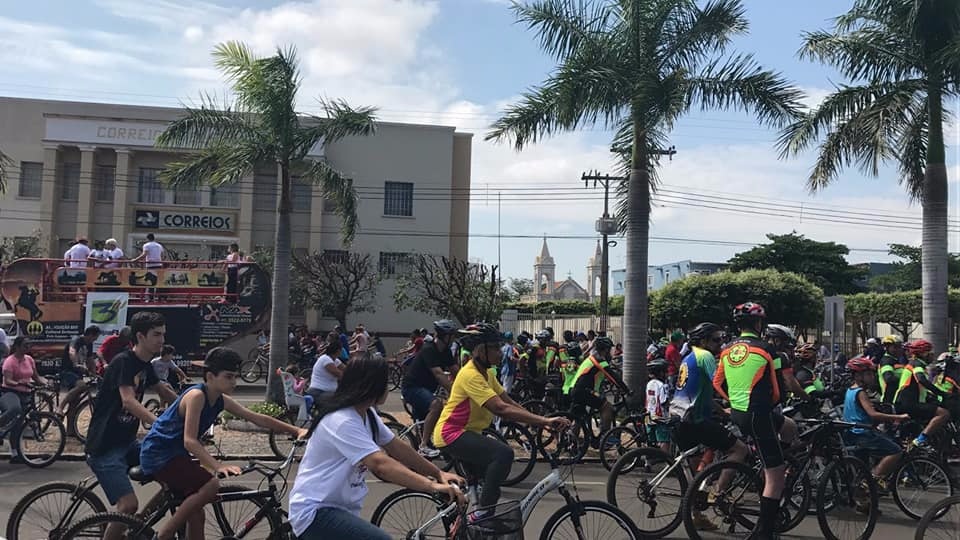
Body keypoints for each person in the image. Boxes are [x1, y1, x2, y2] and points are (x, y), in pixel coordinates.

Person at [289, 355, 466, 540]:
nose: (388, 388)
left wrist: (438, 473)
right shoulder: (342, 420)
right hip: (316, 512)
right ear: (372, 385)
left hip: (340, 509)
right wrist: (432, 486)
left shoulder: (367, 414)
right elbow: (380, 464)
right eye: (385, 381)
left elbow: (397, 448)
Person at [140, 347, 307, 540]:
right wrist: (217, 465)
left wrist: (295, 430)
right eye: (228, 377)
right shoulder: (197, 396)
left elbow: (256, 418)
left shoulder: (219, 399)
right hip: (160, 454)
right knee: (211, 485)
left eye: (235, 377)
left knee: (196, 513)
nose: (234, 382)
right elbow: (189, 441)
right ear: (210, 376)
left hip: (174, 455)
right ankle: (165, 534)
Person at [435, 323, 570, 521]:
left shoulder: (487, 373)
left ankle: (467, 522)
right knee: (503, 454)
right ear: (481, 350)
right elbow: (500, 408)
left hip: (468, 432)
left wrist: (539, 423)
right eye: (496, 347)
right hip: (451, 433)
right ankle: (481, 515)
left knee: (491, 488)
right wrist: (544, 420)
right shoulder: (470, 374)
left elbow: (509, 402)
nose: (500, 352)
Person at [84, 312, 179, 540]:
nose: (162, 340)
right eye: (156, 335)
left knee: (175, 479)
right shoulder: (124, 362)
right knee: (128, 506)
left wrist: (193, 409)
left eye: (163, 335)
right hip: (105, 446)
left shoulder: (145, 364)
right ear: (140, 336)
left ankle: (136, 529)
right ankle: (126, 526)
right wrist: (159, 423)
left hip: (127, 444)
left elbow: (164, 391)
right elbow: (128, 400)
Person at [713, 302, 783, 540]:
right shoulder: (766, 349)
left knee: (785, 430)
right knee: (776, 473)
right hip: (758, 413)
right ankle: (765, 533)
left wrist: (734, 400)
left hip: (738, 412)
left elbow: (717, 383)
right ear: (758, 323)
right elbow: (777, 392)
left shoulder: (726, 349)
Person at [670, 322, 750, 531]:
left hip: (680, 417)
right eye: (716, 340)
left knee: (698, 476)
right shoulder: (705, 357)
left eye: (721, 339)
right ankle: (718, 492)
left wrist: (721, 409)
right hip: (694, 420)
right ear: (703, 341)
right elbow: (722, 383)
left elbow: (703, 391)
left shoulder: (689, 357)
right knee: (740, 449)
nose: (720, 344)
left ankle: (697, 516)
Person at [843, 357, 909, 494]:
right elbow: (872, 414)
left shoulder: (850, 390)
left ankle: (864, 501)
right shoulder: (861, 393)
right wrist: (898, 417)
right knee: (896, 451)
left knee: (862, 469)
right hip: (863, 434)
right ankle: (871, 481)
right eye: (868, 374)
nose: (872, 377)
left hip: (852, 433)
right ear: (858, 376)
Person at [401, 320, 460, 458]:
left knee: (427, 419)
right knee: (436, 405)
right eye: (452, 335)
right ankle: (424, 445)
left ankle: (421, 451)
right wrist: (455, 392)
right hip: (412, 388)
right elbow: (439, 375)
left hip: (425, 389)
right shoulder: (429, 349)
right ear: (445, 336)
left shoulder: (445, 351)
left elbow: (456, 371)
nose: (454, 338)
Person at [569, 336, 628, 442]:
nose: (610, 351)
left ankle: (571, 443)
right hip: (583, 391)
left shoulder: (592, 357)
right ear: (605, 349)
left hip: (576, 389)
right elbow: (613, 376)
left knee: (578, 418)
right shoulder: (599, 360)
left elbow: (596, 375)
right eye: (609, 349)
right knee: (607, 407)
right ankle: (605, 437)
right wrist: (626, 390)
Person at [893, 339, 951, 448]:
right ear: (923, 353)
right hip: (908, 403)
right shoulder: (917, 364)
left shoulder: (915, 363)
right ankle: (920, 440)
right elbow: (921, 380)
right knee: (943, 414)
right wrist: (941, 393)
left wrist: (933, 396)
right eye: (930, 352)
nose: (933, 355)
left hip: (905, 402)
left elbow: (920, 387)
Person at [1, 337, 47, 462]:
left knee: (18, 424)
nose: (28, 347)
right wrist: (19, 383)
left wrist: (47, 383)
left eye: (29, 345)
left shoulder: (29, 360)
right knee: (15, 409)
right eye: (25, 345)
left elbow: (36, 377)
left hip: (26, 393)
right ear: (17, 347)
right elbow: (7, 380)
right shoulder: (9, 361)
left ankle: (15, 454)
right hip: (10, 392)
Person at [57, 325, 101, 418]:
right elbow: (72, 352)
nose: (94, 341)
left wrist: (94, 373)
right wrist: (76, 364)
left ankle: (70, 431)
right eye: (94, 338)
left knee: (74, 404)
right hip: (67, 371)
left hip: (78, 374)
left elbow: (90, 360)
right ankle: (60, 407)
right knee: (82, 386)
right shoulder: (76, 340)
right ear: (90, 335)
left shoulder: (89, 344)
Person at [645, 358, 671, 452]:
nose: (667, 374)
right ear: (660, 373)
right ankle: (666, 461)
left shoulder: (649, 384)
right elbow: (664, 402)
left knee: (651, 441)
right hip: (661, 418)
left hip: (649, 416)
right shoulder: (663, 385)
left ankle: (648, 461)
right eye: (665, 371)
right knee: (664, 440)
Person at [878, 335, 906, 404]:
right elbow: (888, 378)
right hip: (890, 400)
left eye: (900, 347)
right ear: (887, 348)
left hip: (898, 399)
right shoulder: (886, 361)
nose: (899, 349)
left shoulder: (895, 360)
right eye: (895, 347)